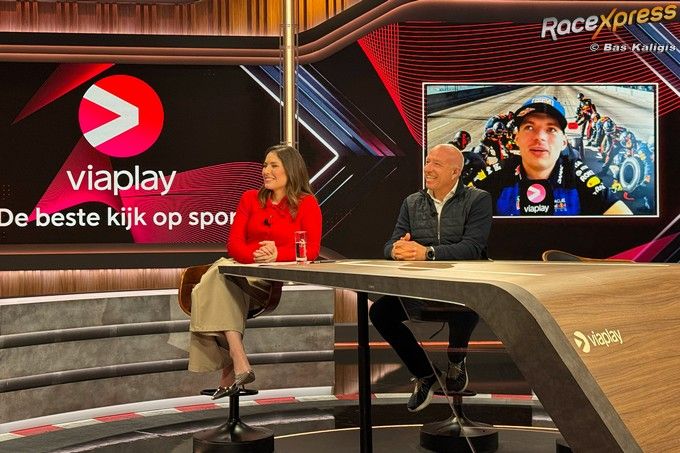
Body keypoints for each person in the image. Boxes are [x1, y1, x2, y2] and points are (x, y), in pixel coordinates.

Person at [188, 144, 322, 400]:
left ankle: (234, 365)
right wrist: (256, 254)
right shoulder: (250, 198)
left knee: (212, 282)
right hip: (240, 268)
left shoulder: (307, 204)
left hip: (265, 281)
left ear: (291, 170)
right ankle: (238, 362)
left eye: (273, 165)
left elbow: (311, 250)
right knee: (221, 276)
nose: (265, 171)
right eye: (264, 165)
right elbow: (234, 245)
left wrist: (276, 254)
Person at [369, 143, 492, 412]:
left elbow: (473, 248)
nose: (428, 169)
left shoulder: (478, 199)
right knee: (380, 313)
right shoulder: (412, 202)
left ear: (455, 172)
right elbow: (390, 243)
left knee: (465, 309)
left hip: (462, 289)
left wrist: (428, 253)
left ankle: (456, 361)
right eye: (427, 162)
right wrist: (396, 250)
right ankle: (425, 373)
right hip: (421, 290)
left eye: (437, 164)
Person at [473, 95, 632, 215]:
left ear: (563, 142)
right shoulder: (498, 173)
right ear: (516, 138)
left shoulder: (577, 173)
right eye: (529, 127)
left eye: (551, 129)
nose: (539, 137)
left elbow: (625, 220)